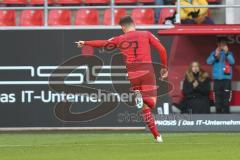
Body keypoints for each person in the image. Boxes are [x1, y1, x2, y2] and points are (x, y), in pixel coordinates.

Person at [75, 16, 168, 143]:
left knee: (144, 108)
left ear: (123, 27)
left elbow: (104, 43)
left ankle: (157, 136)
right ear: (133, 24)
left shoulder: (120, 38)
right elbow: (162, 50)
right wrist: (164, 68)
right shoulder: (146, 34)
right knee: (151, 103)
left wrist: (85, 42)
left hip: (132, 73)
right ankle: (143, 98)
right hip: (146, 71)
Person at [207, 37, 235, 113]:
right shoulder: (214, 53)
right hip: (217, 80)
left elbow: (232, 62)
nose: (222, 45)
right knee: (217, 98)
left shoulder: (229, 53)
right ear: (218, 44)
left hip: (226, 80)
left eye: (224, 44)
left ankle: (226, 114)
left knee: (226, 98)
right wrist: (215, 55)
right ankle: (218, 114)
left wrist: (227, 53)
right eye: (221, 43)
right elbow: (208, 62)